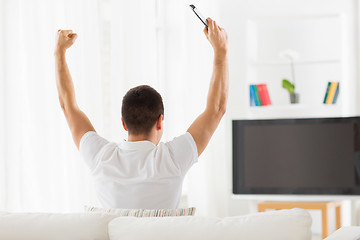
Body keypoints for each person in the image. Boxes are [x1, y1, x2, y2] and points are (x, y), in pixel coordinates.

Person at [54, 17, 229, 209]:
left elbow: (68, 106)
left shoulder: (101, 157)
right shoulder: (172, 159)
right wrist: (220, 51)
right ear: (160, 121)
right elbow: (217, 109)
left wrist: (59, 52)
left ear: (123, 123)